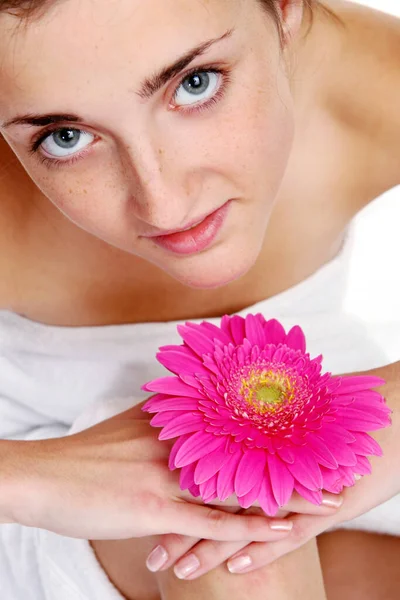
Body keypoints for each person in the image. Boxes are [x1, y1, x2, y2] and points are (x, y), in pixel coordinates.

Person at [0, 0, 399, 598]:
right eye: (64, 137)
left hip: (333, 412)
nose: (164, 204)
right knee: (228, 514)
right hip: (39, 475)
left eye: (195, 83)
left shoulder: (372, 81)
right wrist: (27, 478)